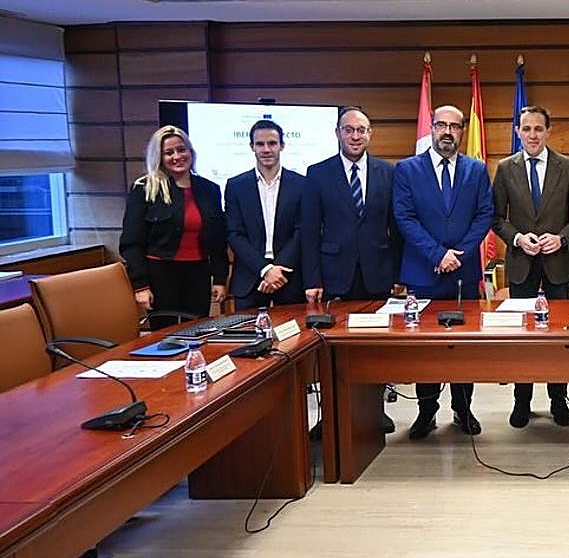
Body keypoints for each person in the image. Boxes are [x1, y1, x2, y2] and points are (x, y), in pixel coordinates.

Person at [393, 105, 494, 440]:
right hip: (424, 271)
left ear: (462, 131)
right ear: (432, 128)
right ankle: (426, 411)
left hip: (463, 272)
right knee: (426, 347)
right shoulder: (407, 169)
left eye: (454, 126)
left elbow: (484, 214)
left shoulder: (476, 169)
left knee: (465, 345)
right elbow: (404, 217)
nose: (448, 131)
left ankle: (463, 409)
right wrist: (438, 254)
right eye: (441, 125)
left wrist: (458, 254)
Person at [301, 106, 401, 433]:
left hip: (377, 274)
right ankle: (329, 416)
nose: (355, 136)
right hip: (334, 276)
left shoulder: (388, 172)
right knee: (333, 350)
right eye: (349, 130)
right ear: (338, 133)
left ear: (370, 134)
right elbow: (309, 230)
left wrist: (398, 275)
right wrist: (312, 278)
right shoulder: (318, 173)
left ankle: (374, 412)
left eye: (361, 130)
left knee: (375, 348)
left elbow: (395, 228)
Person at [492, 105, 569, 429]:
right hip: (521, 264)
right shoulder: (505, 168)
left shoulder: (567, 167)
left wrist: (562, 238)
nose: (532, 135)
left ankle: (559, 399)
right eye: (526, 128)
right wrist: (517, 239)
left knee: (559, 337)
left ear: (548, 131)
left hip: (558, 264)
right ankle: (522, 401)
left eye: (538, 129)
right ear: (518, 131)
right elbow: (496, 218)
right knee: (524, 337)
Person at [119, 125, 227, 325]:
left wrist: (220, 279)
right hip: (160, 275)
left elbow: (218, 240)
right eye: (169, 153)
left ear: (190, 152)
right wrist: (141, 286)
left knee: (198, 331)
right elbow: (131, 242)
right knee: (165, 335)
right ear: (159, 157)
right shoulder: (145, 189)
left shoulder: (209, 189)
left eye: (181, 149)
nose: (177, 156)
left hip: (198, 273)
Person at [224, 119, 305, 310]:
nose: (266, 149)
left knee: (295, 330)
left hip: (289, 277)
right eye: (260, 144)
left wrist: (278, 269)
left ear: (282, 146)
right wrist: (266, 269)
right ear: (252, 146)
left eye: (272, 143)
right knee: (247, 330)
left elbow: (301, 230)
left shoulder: (301, 184)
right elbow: (234, 234)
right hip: (250, 276)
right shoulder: (236, 186)